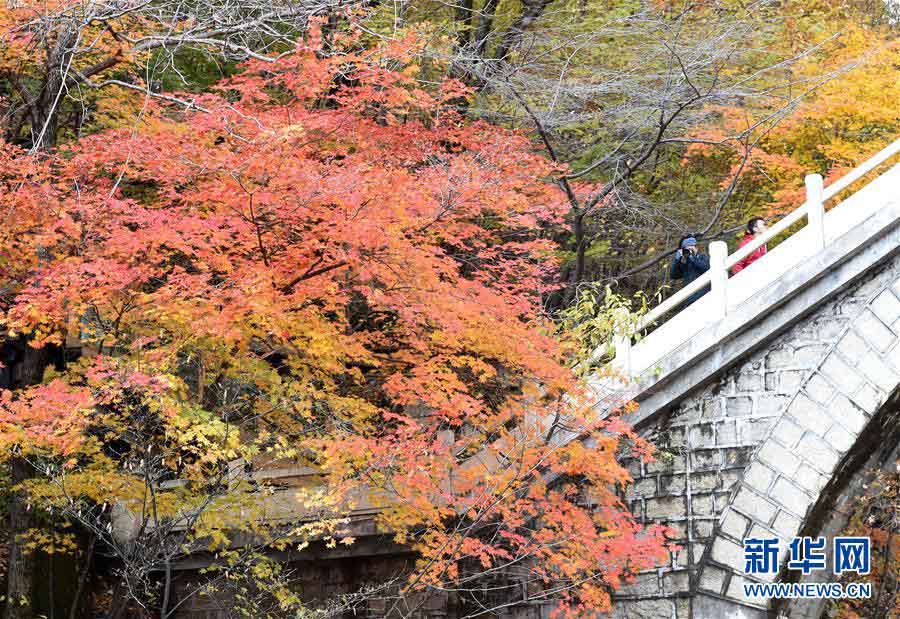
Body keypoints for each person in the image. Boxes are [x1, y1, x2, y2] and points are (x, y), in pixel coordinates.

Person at [670, 235, 710, 306]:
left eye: (691, 248)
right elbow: (674, 275)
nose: (689, 251)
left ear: (696, 247)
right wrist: (676, 261)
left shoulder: (703, 257)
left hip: (705, 296)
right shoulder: (684, 262)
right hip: (690, 299)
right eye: (686, 249)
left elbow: (707, 268)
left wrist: (693, 258)